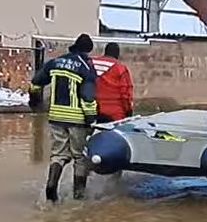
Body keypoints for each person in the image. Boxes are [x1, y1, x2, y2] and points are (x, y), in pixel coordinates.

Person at [30, 34, 98, 202]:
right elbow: (88, 97)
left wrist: (35, 102)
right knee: (80, 157)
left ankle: (51, 190)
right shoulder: (86, 67)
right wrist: (91, 120)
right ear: (87, 50)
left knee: (58, 155)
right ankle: (78, 197)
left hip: (56, 116)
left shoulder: (55, 62)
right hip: (77, 119)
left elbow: (35, 83)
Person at [92, 42, 134, 123]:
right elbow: (125, 94)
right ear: (117, 54)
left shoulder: (91, 64)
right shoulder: (120, 69)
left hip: (94, 111)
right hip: (115, 113)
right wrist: (129, 111)